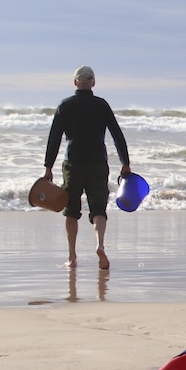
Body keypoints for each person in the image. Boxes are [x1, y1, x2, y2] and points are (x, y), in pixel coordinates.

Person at [43, 65, 131, 270]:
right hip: (98, 163)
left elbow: (54, 138)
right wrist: (125, 163)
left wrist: (48, 166)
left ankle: (72, 257)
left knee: (71, 211)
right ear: (93, 83)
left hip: (73, 163)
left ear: (75, 83)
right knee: (98, 208)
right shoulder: (101, 105)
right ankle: (100, 245)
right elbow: (117, 135)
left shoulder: (65, 105)